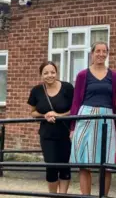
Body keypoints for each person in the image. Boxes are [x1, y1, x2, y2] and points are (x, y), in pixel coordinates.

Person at [70, 41, 116, 196]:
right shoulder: (83, 75)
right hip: (86, 117)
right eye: (98, 51)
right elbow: (76, 101)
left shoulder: (114, 75)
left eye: (104, 51)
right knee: (84, 163)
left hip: (107, 119)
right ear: (92, 53)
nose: (101, 54)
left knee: (106, 163)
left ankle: (103, 195)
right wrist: (72, 127)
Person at [28, 61, 73, 194]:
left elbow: (74, 109)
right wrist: (45, 115)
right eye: (46, 73)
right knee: (51, 167)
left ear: (56, 72)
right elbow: (33, 112)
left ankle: (63, 195)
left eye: (52, 72)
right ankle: (53, 195)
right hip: (47, 135)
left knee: (65, 167)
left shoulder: (67, 88)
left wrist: (58, 115)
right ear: (41, 75)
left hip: (65, 134)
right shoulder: (36, 91)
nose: (49, 75)